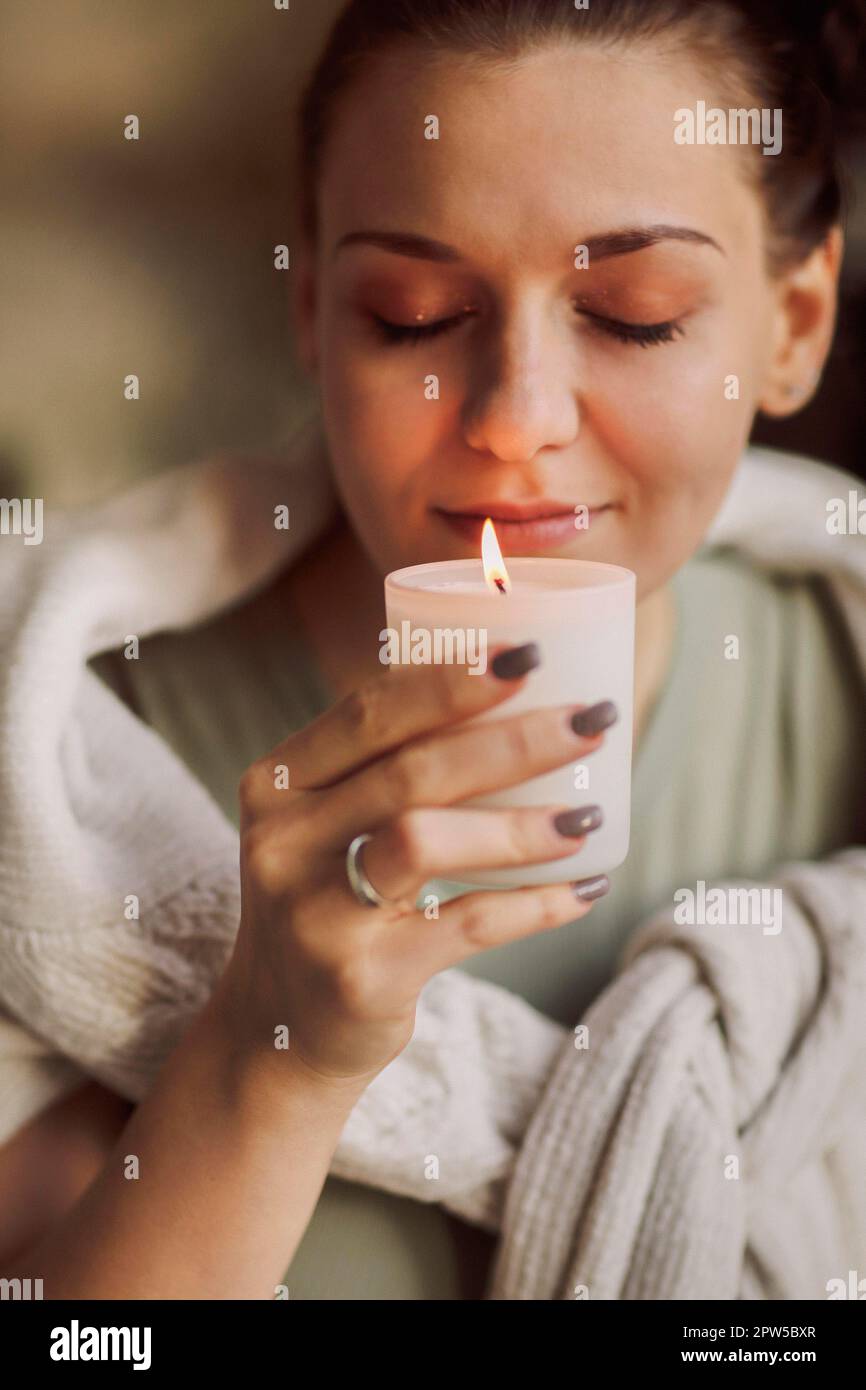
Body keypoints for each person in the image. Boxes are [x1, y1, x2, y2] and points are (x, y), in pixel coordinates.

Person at [1, 0, 865, 1300]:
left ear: (792, 325)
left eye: (633, 315)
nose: (513, 419)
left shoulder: (837, 681)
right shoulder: (65, 766)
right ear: (311, 316)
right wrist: (263, 1061)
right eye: (407, 316)